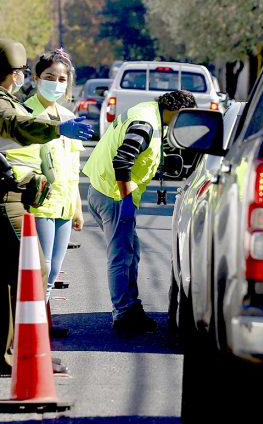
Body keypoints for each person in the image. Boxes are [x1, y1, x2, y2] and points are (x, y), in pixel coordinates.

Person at [0, 38, 93, 377]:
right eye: (20, 72)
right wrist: (58, 128)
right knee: (30, 275)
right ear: (13, 73)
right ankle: (30, 357)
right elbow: (16, 126)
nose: (21, 78)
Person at [82, 90, 196, 333]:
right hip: (113, 195)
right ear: (176, 111)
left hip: (103, 190)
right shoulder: (146, 124)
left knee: (130, 252)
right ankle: (123, 315)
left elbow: (141, 156)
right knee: (121, 257)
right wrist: (124, 201)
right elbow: (123, 160)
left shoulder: (149, 113)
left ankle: (130, 308)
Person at [23, 49, 84, 337]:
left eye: (62, 78)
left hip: (63, 204)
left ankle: (40, 322)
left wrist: (77, 207)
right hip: (39, 204)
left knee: (54, 270)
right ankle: (30, 326)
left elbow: (73, 168)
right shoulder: (26, 114)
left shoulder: (68, 116)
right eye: (49, 77)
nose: (56, 83)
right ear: (36, 78)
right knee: (42, 268)